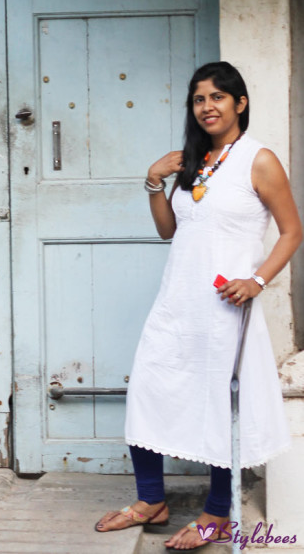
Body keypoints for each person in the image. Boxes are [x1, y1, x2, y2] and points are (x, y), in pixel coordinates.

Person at [95, 61, 302, 550]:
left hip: (224, 306)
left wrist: (256, 280)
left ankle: (217, 514)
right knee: (148, 388)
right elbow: (170, 230)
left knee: (216, 403)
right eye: (198, 99)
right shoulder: (192, 160)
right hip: (176, 300)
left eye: (217, 97)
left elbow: (293, 231)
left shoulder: (259, 159)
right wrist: (152, 181)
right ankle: (151, 500)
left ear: (240, 103)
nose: (207, 107)